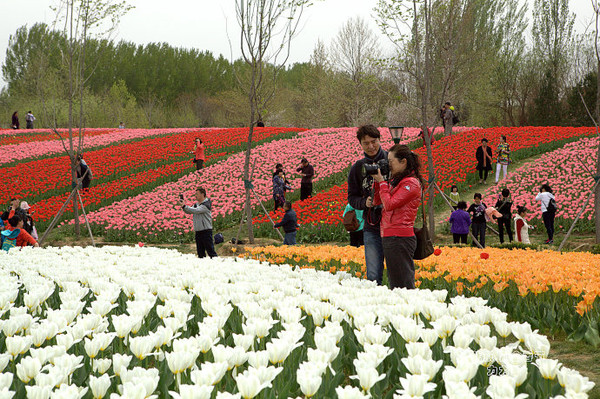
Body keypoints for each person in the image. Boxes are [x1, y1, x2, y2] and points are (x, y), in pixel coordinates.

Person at [373, 144, 422, 290]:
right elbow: (377, 201)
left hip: (400, 237)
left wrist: (382, 182)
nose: (388, 165)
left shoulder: (411, 183)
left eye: (390, 161)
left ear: (403, 162)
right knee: (395, 284)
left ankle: (409, 310)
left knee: (404, 285)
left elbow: (389, 204)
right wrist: (378, 182)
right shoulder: (397, 182)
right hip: (390, 235)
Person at [348, 125, 387, 285]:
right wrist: (364, 202)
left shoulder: (392, 160)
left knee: (396, 274)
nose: (371, 146)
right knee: (372, 274)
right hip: (371, 226)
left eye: (374, 141)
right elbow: (352, 197)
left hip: (393, 225)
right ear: (360, 144)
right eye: (366, 143)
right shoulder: (358, 168)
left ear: (379, 139)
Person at [180, 187, 218, 258]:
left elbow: (196, 210)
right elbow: (189, 211)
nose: (195, 196)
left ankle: (218, 264)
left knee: (211, 251)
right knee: (200, 253)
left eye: (197, 194)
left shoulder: (206, 205)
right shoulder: (196, 204)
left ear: (202, 194)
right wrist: (183, 206)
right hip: (198, 232)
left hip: (206, 232)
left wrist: (185, 206)